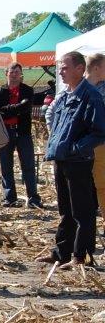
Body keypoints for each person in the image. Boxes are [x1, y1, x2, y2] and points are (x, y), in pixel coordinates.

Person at [36, 51, 105, 268]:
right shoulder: (66, 95)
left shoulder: (91, 96)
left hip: (78, 161)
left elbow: (99, 131)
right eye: (60, 67)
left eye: (65, 67)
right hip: (62, 158)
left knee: (82, 211)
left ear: (79, 69)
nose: (60, 71)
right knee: (65, 209)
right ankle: (62, 253)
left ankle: (81, 256)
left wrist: (77, 149)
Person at [0, 62, 42, 208]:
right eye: (12, 72)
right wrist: (17, 107)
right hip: (5, 132)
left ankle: (33, 198)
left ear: (21, 74)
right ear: (6, 73)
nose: (14, 75)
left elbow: (26, 108)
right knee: (6, 166)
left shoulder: (27, 90)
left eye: (17, 72)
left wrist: (8, 110)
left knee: (28, 166)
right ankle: (10, 198)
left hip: (23, 132)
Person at [86, 53, 105, 230]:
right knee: (98, 185)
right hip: (91, 145)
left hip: (100, 144)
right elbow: (52, 111)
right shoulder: (79, 89)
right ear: (97, 68)